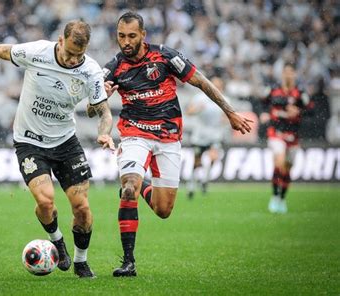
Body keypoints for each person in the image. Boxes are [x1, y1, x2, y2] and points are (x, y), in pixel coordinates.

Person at [0, 20, 114, 278]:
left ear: (86, 49)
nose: (71, 59)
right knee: (45, 201)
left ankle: (81, 262)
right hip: (29, 141)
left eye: (77, 55)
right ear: (60, 40)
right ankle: (57, 242)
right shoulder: (37, 52)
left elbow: (102, 112)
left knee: (82, 208)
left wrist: (103, 134)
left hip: (66, 142)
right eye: (68, 52)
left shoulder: (90, 71)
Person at [89, 12, 252, 277]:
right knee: (128, 187)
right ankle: (128, 262)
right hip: (134, 133)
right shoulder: (113, 67)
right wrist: (101, 96)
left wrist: (230, 112)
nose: (126, 42)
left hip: (168, 136)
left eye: (132, 36)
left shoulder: (166, 57)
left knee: (163, 210)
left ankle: (141, 185)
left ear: (143, 35)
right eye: (121, 36)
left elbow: (201, 81)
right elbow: (90, 107)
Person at [260, 63, 312, 214]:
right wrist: (264, 113)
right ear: (282, 74)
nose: (288, 75)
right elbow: (262, 102)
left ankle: (282, 198)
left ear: (294, 74)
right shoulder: (273, 89)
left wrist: (299, 111)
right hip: (276, 132)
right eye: (286, 72)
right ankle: (274, 196)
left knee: (288, 168)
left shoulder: (300, 92)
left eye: (291, 72)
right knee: (280, 161)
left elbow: (311, 110)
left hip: (293, 135)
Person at [185, 76, 229, 198]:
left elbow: (228, 117)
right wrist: (198, 109)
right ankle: (191, 185)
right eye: (214, 84)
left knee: (214, 158)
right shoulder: (200, 98)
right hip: (199, 135)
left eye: (218, 85)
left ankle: (204, 180)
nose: (216, 87)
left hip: (215, 134)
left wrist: (224, 120)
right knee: (197, 162)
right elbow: (189, 112)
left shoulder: (224, 99)